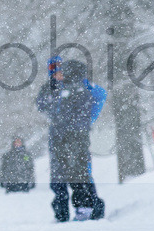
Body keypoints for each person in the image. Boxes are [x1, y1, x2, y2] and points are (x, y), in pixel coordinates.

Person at [36, 57, 107, 222]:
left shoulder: (80, 85)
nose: (58, 74)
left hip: (76, 135)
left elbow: (100, 94)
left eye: (60, 70)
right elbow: (42, 105)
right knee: (59, 174)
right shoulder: (50, 88)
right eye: (54, 71)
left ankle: (91, 208)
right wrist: (54, 116)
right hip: (58, 136)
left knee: (80, 172)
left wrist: (89, 119)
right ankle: (62, 212)